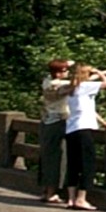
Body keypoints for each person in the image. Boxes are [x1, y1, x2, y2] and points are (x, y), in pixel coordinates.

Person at [65, 63, 106, 210]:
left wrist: (103, 122)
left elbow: (88, 107)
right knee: (87, 164)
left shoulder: (71, 88)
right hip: (84, 129)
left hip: (71, 129)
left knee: (73, 164)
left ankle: (71, 199)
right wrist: (101, 72)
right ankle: (81, 199)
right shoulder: (85, 87)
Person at [38, 58, 74, 203]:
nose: (68, 72)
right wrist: (100, 73)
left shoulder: (47, 80)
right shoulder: (56, 85)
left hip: (47, 121)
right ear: (58, 73)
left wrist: (67, 63)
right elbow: (78, 84)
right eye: (65, 71)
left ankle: (46, 190)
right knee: (56, 157)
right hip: (58, 122)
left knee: (47, 155)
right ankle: (51, 193)